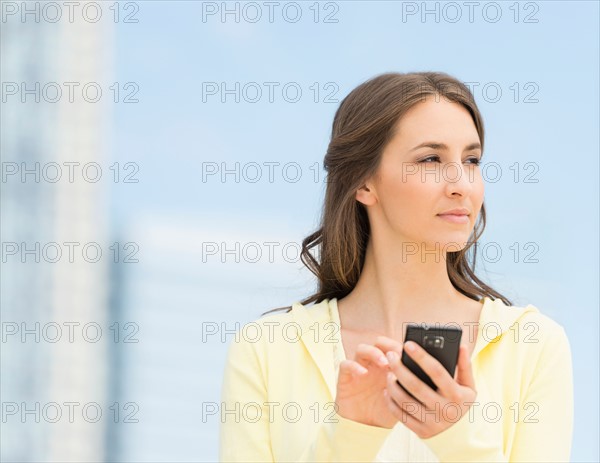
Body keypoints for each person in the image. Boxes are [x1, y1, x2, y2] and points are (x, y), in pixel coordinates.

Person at [218, 72, 574, 462]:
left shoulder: (534, 346)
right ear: (364, 183)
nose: (462, 184)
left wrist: (456, 437)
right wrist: (352, 434)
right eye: (431, 159)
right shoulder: (267, 349)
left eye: (471, 160)